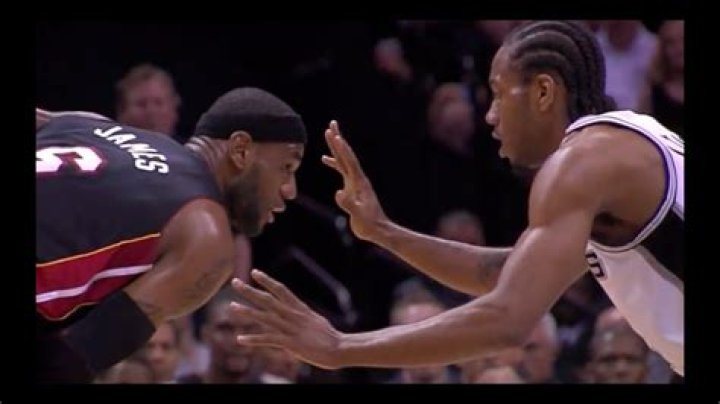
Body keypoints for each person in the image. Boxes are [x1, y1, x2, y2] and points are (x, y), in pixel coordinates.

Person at [228, 20, 684, 378]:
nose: (490, 115)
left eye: (499, 93)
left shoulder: (581, 162)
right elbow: (506, 275)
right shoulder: (618, 149)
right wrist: (384, 232)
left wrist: (340, 347)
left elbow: (508, 319)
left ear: (544, 91)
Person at [36, 87, 307, 382]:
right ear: (241, 150)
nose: (290, 190)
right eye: (287, 167)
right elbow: (79, 356)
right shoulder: (206, 233)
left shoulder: (92, 123)